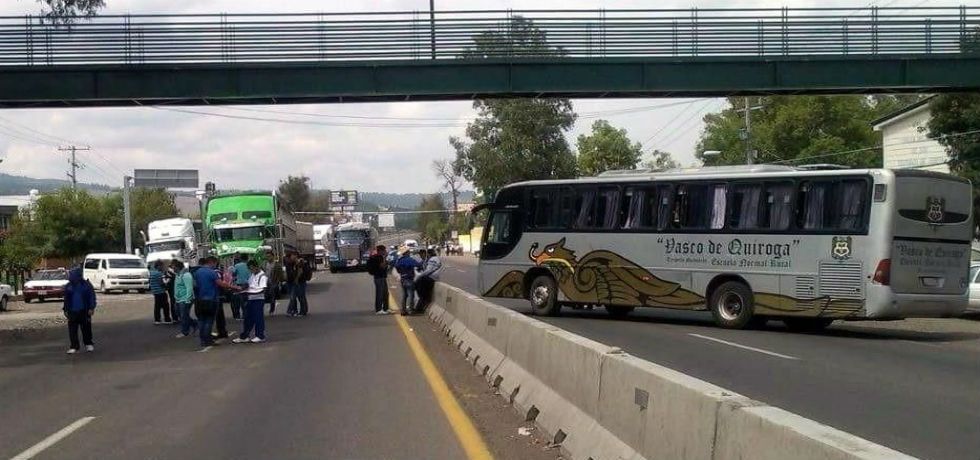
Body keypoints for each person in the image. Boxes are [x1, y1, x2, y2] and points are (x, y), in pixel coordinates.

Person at [194, 257, 240, 348]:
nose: (216, 265)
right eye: (215, 263)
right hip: (211, 299)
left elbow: (195, 285)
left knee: (201, 320)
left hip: (200, 299)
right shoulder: (212, 272)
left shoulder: (197, 272)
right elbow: (221, 284)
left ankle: (202, 340)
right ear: (212, 262)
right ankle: (208, 340)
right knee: (209, 321)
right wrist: (235, 287)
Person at [63, 267, 97, 354]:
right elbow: (66, 299)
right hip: (72, 311)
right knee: (72, 330)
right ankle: (74, 346)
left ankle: (88, 344)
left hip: (84, 310)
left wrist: (91, 307)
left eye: (72, 275)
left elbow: (91, 297)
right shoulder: (68, 286)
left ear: (78, 275)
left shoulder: (86, 285)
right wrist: (65, 309)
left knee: (86, 328)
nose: (71, 277)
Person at [234, 260, 268, 344]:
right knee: (248, 318)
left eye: (252, 268)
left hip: (258, 299)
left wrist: (249, 292)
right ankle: (245, 336)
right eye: (249, 269)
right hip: (250, 299)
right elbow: (249, 284)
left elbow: (262, 289)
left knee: (258, 318)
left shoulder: (262, 276)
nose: (251, 270)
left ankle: (260, 336)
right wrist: (240, 289)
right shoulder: (253, 275)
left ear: (256, 266)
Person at [173, 260, 197, 338]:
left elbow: (189, 288)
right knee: (179, 314)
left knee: (183, 315)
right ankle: (195, 324)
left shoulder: (186, 275)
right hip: (178, 298)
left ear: (177, 267)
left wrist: (188, 299)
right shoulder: (177, 274)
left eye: (173, 266)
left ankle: (185, 331)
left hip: (185, 298)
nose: (172, 268)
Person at [394, 248, 422, 315]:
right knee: (411, 295)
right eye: (408, 252)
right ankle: (410, 310)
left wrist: (401, 271)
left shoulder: (400, 260)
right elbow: (418, 265)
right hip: (409, 279)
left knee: (404, 295)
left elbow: (397, 268)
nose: (409, 253)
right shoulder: (410, 259)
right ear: (406, 253)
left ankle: (403, 310)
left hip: (403, 279)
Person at [415, 248, 443, 312]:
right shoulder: (432, 259)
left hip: (430, 278)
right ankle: (419, 307)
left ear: (429, 254)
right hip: (431, 278)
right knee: (422, 292)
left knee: (420, 288)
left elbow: (429, 270)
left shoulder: (433, 259)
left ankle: (419, 309)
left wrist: (420, 275)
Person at [366, 245, 390, 315]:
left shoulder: (381, 257)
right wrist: (385, 258)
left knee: (386, 293)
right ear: (381, 251)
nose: (385, 252)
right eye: (384, 250)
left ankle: (386, 308)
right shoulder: (376, 258)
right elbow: (382, 266)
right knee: (379, 293)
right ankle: (378, 309)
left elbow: (385, 266)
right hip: (378, 277)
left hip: (383, 277)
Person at [286, 252, 311, 316]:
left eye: (293, 256)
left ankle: (303, 311)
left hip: (300, 282)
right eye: (291, 256)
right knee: (294, 297)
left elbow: (301, 272)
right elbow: (290, 272)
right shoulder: (290, 263)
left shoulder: (301, 262)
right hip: (292, 282)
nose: (292, 257)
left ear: (296, 256)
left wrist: (297, 278)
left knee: (301, 296)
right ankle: (294, 311)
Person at [149, 260, 172, 324]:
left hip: (155, 292)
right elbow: (162, 283)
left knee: (157, 306)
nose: (162, 267)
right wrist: (168, 281)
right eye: (161, 266)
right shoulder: (159, 274)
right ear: (158, 266)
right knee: (165, 306)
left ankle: (157, 320)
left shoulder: (151, 273)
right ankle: (167, 319)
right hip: (161, 292)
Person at [230, 254, 251, 320]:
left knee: (238, 300)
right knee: (246, 300)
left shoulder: (237, 265)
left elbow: (233, 273)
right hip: (248, 284)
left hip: (239, 284)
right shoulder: (250, 265)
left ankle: (238, 316)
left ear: (241, 259)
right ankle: (246, 315)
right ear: (247, 259)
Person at [264, 250, 283, 315]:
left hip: (273, 282)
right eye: (267, 257)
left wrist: (278, 281)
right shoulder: (265, 264)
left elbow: (280, 274)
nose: (268, 258)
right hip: (265, 282)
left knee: (272, 296)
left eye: (269, 256)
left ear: (273, 256)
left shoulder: (277, 264)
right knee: (264, 295)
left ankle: (272, 310)